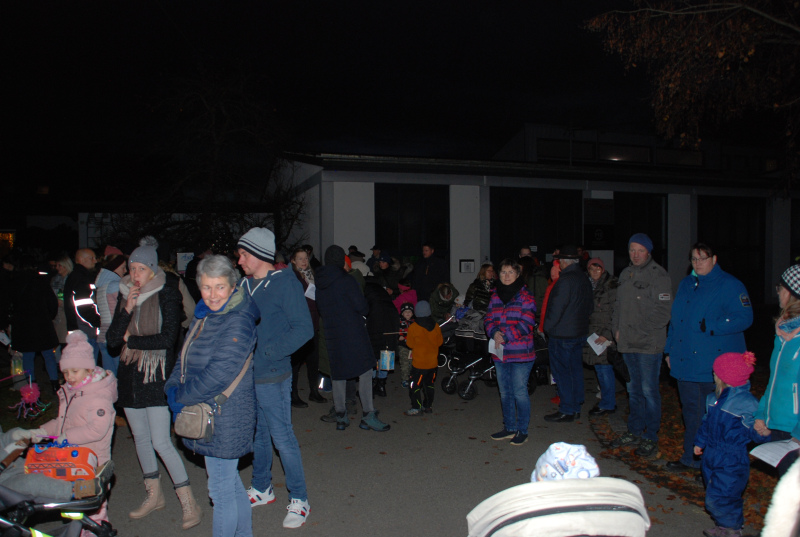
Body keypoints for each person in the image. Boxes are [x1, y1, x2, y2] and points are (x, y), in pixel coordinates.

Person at [106, 244, 201, 529]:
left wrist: (131, 340)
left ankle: (188, 501)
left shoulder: (167, 293)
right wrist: (127, 309)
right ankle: (154, 495)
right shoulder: (125, 294)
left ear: (153, 269)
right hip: (130, 377)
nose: (135, 274)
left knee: (161, 441)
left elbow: (168, 338)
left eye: (141, 269)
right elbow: (112, 340)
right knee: (141, 438)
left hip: (156, 376)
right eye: (132, 268)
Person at [165, 255, 259, 537]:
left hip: (225, 415)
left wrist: (181, 396)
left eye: (220, 287)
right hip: (209, 412)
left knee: (220, 491)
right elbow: (184, 357)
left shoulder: (238, 320)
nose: (213, 294)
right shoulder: (205, 314)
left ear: (232, 286)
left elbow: (219, 374)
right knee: (229, 485)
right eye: (206, 287)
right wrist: (171, 386)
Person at [236, 227, 313, 528]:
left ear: (259, 254)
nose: (239, 260)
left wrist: (269, 353)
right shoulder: (243, 285)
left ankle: (300, 498)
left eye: (244, 254)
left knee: (282, 437)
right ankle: (261, 487)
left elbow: (304, 329)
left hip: (272, 373)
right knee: (259, 433)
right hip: (248, 375)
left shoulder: (285, 283)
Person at [664, 243, 753, 473]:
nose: (698, 263)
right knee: (690, 412)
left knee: (713, 416)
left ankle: (711, 464)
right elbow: (676, 320)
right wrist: (669, 350)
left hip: (713, 365)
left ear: (714, 259)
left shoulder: (730, 285)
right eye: (694, 259)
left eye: (703, 258)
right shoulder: (686, 284)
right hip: (686, 361)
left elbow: (745, 317)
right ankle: (691, 458)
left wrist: (712, 325)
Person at [41, 330, 118, 530]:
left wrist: (67, 437)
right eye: (66, 372)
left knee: (93, 510)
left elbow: (97, 429)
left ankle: (96, 531)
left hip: (93, 463)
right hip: (74, 461)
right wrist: (39, 432)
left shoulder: (98, 396)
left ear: (89, 369)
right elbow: (63, 422)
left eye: (75, 371)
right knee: (75, 508)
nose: (70, 377)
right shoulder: (73, 392)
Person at [314, 245, 390, 432]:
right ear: (341, 260)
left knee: (338, 373)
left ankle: (341, 415)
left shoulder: (320, 283)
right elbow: (362, 306)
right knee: (365, 370)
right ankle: (368, 415)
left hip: (332, 334)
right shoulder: (346, 280)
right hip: (352, 332)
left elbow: (321, 309)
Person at [694, 351, 770, 537]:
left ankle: (732, 530)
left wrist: (762, 432)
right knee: (713, 491)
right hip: (711, 453)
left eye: (716, 372)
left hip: (732, 458)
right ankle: (723, 526)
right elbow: (706, 423)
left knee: (723, 496)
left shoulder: (747, 403)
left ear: (724, 376)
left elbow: (755, 432)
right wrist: (700, 442)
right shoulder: (713, 399)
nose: (713, 374)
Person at [611, 233, 672, 458]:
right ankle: (634, 430)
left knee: (649, 391)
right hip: (627, 343)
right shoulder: (625, 274)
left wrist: (639, 330)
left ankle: (650, 436)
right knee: (633, 390)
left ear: (648, 252)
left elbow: (663, 312)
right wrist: (616, 329)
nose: (635, 255)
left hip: (648, 345)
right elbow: (618, 305)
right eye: (632, 250)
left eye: (640, 250)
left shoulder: (659, 275)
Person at [484, 258, 537, 446]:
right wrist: (493, 332)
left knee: (519, 392)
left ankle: (522, 430)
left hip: (521, 353)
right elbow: (488, 318)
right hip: (500, 353)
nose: (506, 276)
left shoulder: (526, 296)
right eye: (503, 272)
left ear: (518, 274)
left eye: (511, 272)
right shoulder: (495, 296)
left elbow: (527, 323)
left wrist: (506, 336)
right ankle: (509, 427)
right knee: (505, 392)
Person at [754, 264, 800, 477]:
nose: (778, 292)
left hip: (794, 431)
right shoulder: (782, 335)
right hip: (780, 426)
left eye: (779, 288)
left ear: (790, 293)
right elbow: (774, 381)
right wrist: (763, 415)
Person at [542, 245, 593, 423]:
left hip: (562, 334)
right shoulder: (584, 278)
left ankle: (567, 409)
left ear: (564, 262)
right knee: (575, 371)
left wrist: (547, 328)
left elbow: (556, 309)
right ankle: (575, 406)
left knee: (562, 373)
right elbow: (590, 307)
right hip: (578, 332)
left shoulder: (565, 281)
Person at [8, 254, 60, 392]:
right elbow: (52, 302)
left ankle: (32, 385)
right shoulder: (41, 281)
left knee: (28, 355)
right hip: (42, 322)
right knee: (48, 354)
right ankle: (55, 383)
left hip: (23, 324)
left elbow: (9, 304)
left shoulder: (14, 282)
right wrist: (49, 316)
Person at [582, 257, 619, 416]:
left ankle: (608, 404)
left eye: (598, 268)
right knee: (600, 369)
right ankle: (606, 400)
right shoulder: (588, 285)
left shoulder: (611, 285)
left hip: (603, 335)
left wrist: (607, 334)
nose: (595, 271)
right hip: (592, 334)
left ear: (602, 269)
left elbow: (616, 311)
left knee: (604, 369)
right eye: (592, 269)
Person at [289, 247, 325, 408]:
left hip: (313, 322)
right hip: (300, 324)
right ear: (293, 261)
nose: (304, 261)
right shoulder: (293, 277)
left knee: (313, 359)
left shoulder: (312, 275)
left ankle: (314, 391)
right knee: (296, 362)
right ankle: (293, 394)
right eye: (300, 258)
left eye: (306, 258)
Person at [404, 300, 443, 415]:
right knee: (429, 385)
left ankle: (416, 407)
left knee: (414, 385)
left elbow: (410, 344)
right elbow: (440, 342)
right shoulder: (436, 326)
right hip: (432, 364)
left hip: (419, 365)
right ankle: (428, 406)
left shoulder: (413, 327)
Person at [364, 276, 399, 397]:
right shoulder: (381, 290)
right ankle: (381, 385)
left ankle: (371, 385)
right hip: (391, 320)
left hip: (375, 321)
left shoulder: (365, 289)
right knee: (387, 352)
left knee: (373, 353)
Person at [63, 248, 101, 358]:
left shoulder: (77, 276)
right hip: (86, 331)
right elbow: (83, 307)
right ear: (81, 259)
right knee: (88, 364)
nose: (95, 261)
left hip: (81, 330)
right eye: (92, 258)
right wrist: (98, 321)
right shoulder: (81, 278)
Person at [95, 254, 127, 378]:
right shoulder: (115, 285)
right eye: (123, 267)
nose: (125, 270)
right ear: (115, 267)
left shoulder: (101, 286)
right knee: (120, 377)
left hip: (103, 336)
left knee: (109, 378)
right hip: (115, 335)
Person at [397, 302, 416, 387]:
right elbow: (396, 331)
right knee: (404, 363)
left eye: (409, 311)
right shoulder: (399, 322)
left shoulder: (414, 322)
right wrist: (399, 336)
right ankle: (405, 379)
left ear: (412, 313)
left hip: (413, 347)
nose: (408, 313)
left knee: (412, 363)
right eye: (405, 311)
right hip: (403, 346)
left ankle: (411, 377)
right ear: (402, 313)